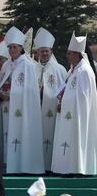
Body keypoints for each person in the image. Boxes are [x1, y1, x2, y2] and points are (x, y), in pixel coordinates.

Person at [0, 26, 44, 174]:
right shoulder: (6, 65)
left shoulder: (28, 64)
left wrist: (12, 94)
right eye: (10, 47)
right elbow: (0, 84)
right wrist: (0, 93)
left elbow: (31, 91)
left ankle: (20, 165)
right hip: (5, 108)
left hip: (20, 111)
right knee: (5, 135)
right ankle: (6, 163)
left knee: (19, 135)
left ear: (21, 48)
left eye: (15, 47)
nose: (12, 50)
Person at [52, 33, 97, 175]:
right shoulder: (72, 70)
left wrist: (65, 104)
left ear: (78, 54)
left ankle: (77, 167)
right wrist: (62, 101)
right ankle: (67, 167)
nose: (68, 56)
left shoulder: (84, 71)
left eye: (70, 53)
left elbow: (83, 99)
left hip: (77, 116)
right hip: (68, 113)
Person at [33, 27, 68, 171]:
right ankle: (36, 165)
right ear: (38, 52)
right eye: (42, 51)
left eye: (47, 50)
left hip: (52, 111)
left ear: (51, 52)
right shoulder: (32, 68)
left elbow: (64, 91)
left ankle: (50, 166)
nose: (44, 53)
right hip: (36, 109)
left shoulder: (59, 69)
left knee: (51, 138)